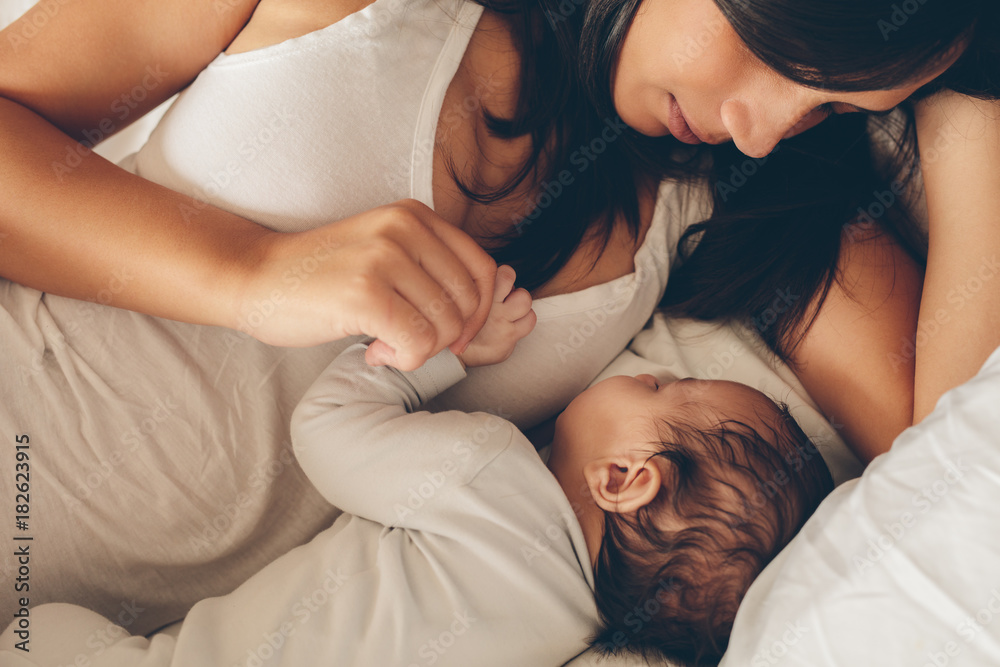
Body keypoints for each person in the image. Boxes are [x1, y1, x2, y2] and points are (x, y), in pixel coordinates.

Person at [0, 0, 995, 633]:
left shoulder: (732, 212)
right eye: (787, 60)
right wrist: (249, 272)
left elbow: (957, 462)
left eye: (831, 109)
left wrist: (971, 76)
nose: (768, 129)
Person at [0, 267, 833, 666]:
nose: (642, 370)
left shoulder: (491, 473)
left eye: (662, 382)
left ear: (622, 478)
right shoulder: (568, 641)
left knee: (44, 631)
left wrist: (435, 355)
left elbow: (324, 429)